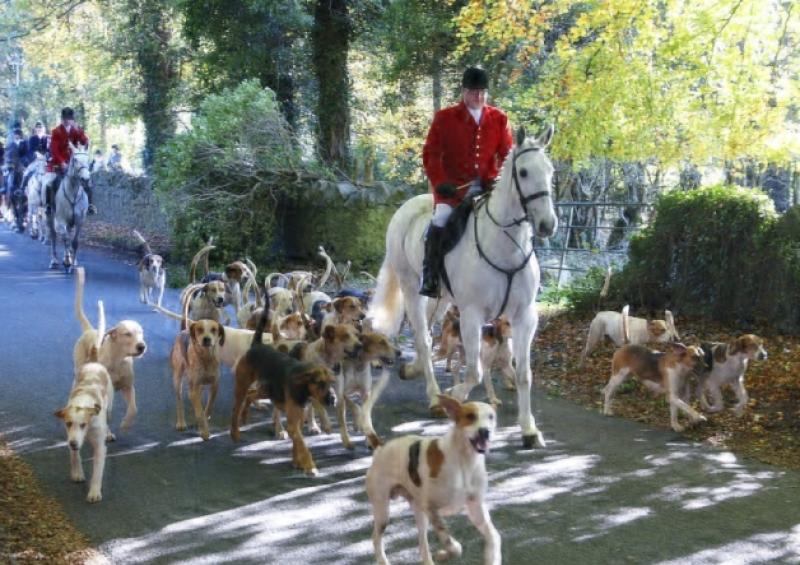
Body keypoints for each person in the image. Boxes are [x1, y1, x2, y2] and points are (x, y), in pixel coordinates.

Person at [419, 66, 513, 297]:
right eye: (473, 92)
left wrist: (500, 178)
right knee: (440, 219)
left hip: (489, 187)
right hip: (453, 190)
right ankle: (430, 275)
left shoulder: (499, 118)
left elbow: (507, 154)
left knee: (516, 218)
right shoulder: (445, 118)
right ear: (463, 91)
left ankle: (521, 275)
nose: (479, 97)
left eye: (482, 93)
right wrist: (440, 182)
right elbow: (431, 154)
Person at [44, 107, 96, 216]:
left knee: (88, 182)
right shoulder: (56, 131)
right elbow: (54, 150)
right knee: (50, 182)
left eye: (69, 118)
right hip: (59, 164)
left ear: (72, 119)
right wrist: (62, 162)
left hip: (74, 163)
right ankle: (49, 206)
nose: (67, 121)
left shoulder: (76, 130)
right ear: (62, 119)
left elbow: (84, 140)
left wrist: (86, 140)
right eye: (65, 118)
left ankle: (90, 205)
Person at [19, 121, 49, 194]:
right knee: (26, 173)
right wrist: (35, 154)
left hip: (46, 161)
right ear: (35, 129)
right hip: (35, 160)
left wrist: (47, 155)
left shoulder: (48, 138)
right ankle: (22, 189)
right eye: (37, 128)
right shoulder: (32, 138)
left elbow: (50, 149)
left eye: (40, 127)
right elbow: (30, 150)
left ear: (43, 128)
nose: (39, 129)